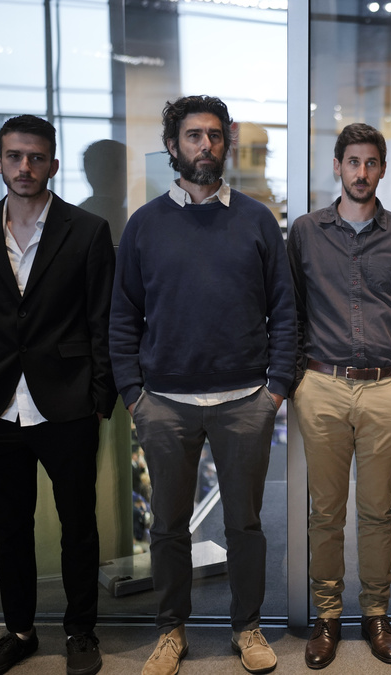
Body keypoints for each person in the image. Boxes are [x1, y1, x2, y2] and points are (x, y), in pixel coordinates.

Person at [109, 95, 296, 675]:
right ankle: (171, 631)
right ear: (173, 147)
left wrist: (276, 390)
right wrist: (134, 395)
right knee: (166, 526)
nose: (205, 146)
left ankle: (247, 627)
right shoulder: (144, 224)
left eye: (214, 136)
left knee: (243, 524)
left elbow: (285, 312)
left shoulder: (258, 219)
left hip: (245, 401)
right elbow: (122, 317)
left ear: (226, 145)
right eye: (193, 136)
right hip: (164, 402)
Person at [0, 115, 114, 675]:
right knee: (10, 525)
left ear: (53, 165)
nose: (25, 167)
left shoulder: (87, 231)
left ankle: (80, 631)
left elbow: (102, 322)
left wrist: (98, 396)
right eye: (14, 156)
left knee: (78, 523)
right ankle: (18, 631)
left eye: (36, 157)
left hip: (67, 403)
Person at [287, 123, 391, 669]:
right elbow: (289, 312)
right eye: (352, 162)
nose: (361, 172)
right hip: (321, 386)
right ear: (337, 166)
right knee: (325, 513)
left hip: (386, 390)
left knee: (378, 511)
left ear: (382, 168)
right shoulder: (305, 231)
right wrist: (296, 382)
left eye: (371, 162)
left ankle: (376, 614)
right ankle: (327, 617)